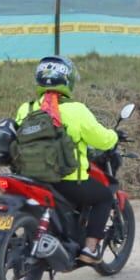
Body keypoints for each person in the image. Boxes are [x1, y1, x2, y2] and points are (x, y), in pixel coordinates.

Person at [15, 56, 120, 265]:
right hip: (68, 180)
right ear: (68, 81)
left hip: (30, 178)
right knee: (104, 197)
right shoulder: (76, 110)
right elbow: (103, 140)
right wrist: (115, 136)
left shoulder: (25, 109)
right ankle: (90, 249)